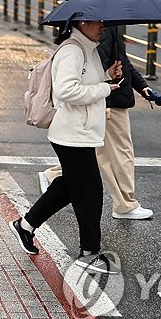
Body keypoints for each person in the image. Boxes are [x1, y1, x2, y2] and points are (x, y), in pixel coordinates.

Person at [38, 0, 161, 220]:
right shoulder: (98, 27)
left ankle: (54, 178)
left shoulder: (107, 22)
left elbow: (121, 61)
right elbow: (86, 77)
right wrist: (106, 98)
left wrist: (142, 88)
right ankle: (124, 204)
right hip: (109, 100)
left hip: (109, 97)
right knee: (117, 155)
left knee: (99, 158)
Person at [11, 19, 122, 273]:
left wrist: (107, 76)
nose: (103, 26)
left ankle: (25, 226)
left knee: (71, 187)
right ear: (82, 23)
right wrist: (105, 87)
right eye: (98, 22)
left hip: (80, 132)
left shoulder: (88, 48)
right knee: (90, 193)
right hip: (72, 134)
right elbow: (66, 91)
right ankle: (89, 253)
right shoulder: (72, 50)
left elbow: (84, 83)